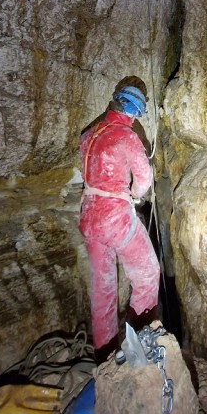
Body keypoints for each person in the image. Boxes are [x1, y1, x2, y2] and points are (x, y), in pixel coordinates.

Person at [78, 85, 160, 356]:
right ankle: (139, 342)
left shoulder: (88, 135)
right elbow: (144, 180)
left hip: (89, 218)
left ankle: (105, 354)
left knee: (103, 290)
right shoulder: (126, 136)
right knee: (147, 273)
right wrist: (134, 195)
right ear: (134, 112)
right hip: (114, 218)